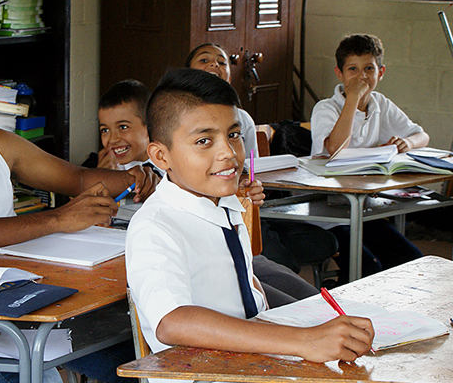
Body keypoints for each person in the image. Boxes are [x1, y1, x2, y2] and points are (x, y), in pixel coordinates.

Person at [0, 25, 154, 383]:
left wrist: (148, 176)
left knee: (135, 358)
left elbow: (79, 179)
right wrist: (59, 218)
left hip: (18, 292)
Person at [126, 68, 375, 383]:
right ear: (161, 156)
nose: (229, 154)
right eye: (204, 141)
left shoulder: (226, 205)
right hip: (209, 375)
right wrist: (303, 340)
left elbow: (244, 292)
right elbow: (173, 322)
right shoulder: (156, 226)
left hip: (256, 364)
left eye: (232, 135)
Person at [187, 43, 338, 294]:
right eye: (204, 60)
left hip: (245, 211)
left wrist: (247, 186)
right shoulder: (181, 117)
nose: (214, 65)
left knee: (323, 243)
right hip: (215, 224)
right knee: (275, 265)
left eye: (222, 62)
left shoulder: (241, 117)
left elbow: (246, 171)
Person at [311, 34, 427, 282]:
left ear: (380, 72)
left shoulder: (380, 104)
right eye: (352, 69)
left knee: (412, 262)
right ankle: (338, 294)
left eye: (369, 69)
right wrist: (352, 99)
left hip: (365, 211)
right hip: (329, 214)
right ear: (339, 73)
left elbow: (421, 135)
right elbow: (335, 148)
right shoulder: (326, 108)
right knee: (369, 269)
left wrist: (407, 142)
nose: (361, 76)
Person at [87, 79, 165, 177]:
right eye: (105, 130)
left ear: (149, 127)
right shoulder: (110, 171)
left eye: (123, 127)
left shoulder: (173, 166)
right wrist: (104, 179)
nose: (113, 139)